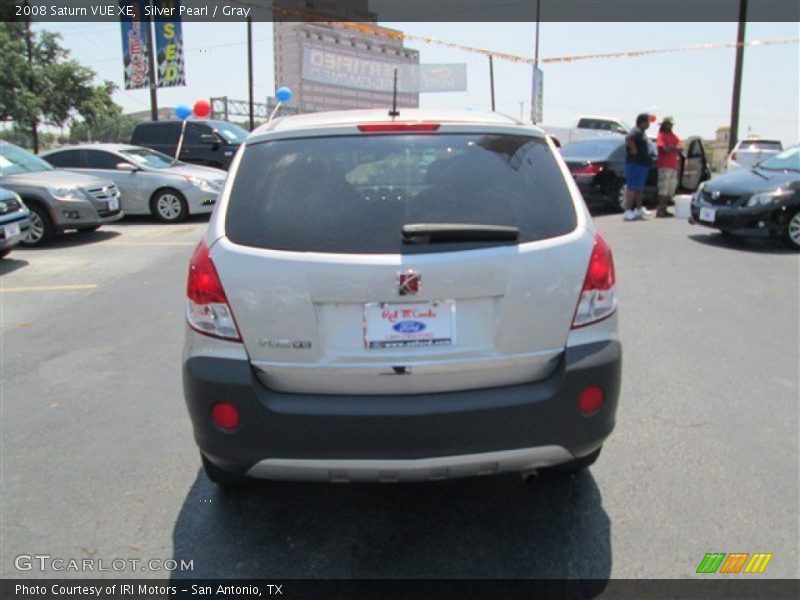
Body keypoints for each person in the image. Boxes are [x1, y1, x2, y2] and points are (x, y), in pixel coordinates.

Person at [623, 113, 653, 221]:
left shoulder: (642, 133)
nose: (649, 124)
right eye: (648, 122)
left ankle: (638, 209)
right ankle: (628, 211)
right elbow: (629, 138)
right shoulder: (635, 131)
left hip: (642, 164)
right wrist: (633, 149)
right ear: (642, 122)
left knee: (640, 188)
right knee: (632, 188)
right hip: (634, 164)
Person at [655, 116, 683, 218]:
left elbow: (681, 147)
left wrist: (672, 148)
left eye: (670, 124)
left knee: (670, 189)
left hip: (673, 166)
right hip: (664, 166)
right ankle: (660, 209)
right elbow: (664, 150)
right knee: (663, 188)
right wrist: (674, 148)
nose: (669, 126)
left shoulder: (673, 136)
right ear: (663, 125)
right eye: (667, 124)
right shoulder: (661, 136)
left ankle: (665, 208)